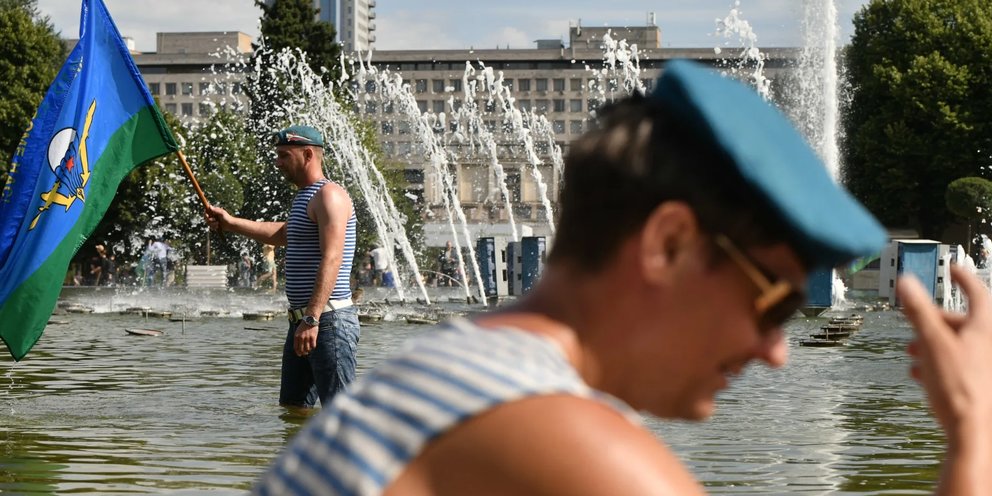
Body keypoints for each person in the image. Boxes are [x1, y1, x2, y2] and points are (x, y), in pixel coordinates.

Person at [252, 62, 992, 495]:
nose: (776, 350)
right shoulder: (571, 450)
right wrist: (974, 435)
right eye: (772, 299)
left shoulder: (457, 371)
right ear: (667, 242)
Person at [205, 124, 360, 409]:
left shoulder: (330, 195)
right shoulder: (306, 196)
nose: (277, 162)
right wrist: (231, 222)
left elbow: (332, 257)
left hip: (326, 322)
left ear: (308, 154)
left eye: (284, 155)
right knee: (292, 411)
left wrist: (312, 319)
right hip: (303, 323)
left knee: (341, 416)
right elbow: (283, 234)